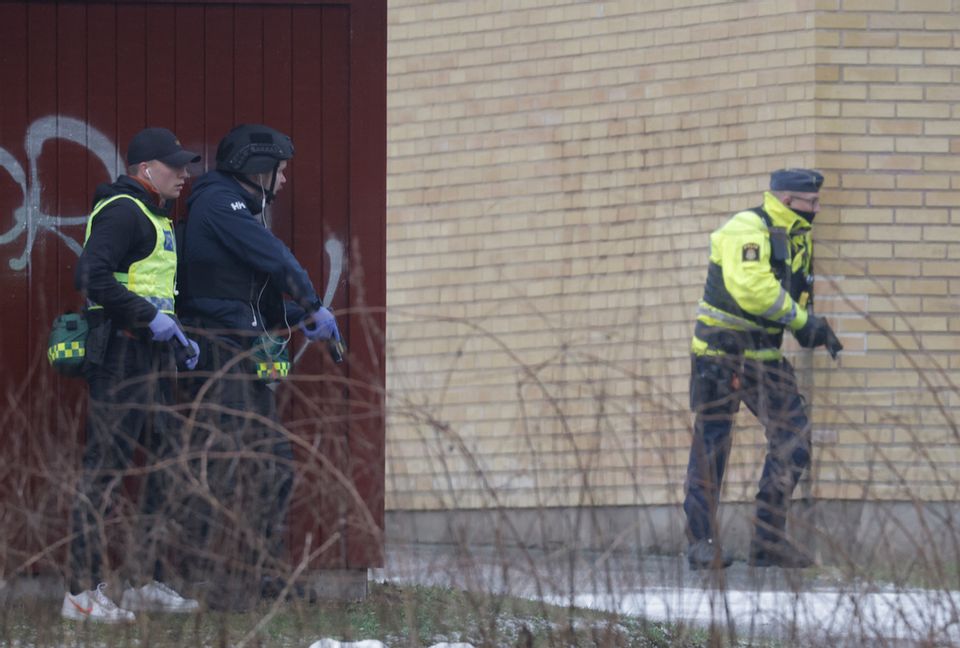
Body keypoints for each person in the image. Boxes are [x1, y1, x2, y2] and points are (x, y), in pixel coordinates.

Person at [176, 124, 341, 608]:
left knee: (271, 465)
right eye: (281, 171)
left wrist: (297, 317)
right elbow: (274, 259)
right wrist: (311, 301)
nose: (285, 181)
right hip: (219, 354)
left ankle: (266, 576)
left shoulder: (236, 210)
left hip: (240, 348)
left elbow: (249, 295)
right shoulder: (218, 203)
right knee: (232, 468)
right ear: (257, 170)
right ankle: (222, 583)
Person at [65, 127, 203, 622]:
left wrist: (178, 336)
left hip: (150, 358)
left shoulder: (154, 215)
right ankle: (80, 595)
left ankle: (145, 581)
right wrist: (149, 320)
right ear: (146, 170)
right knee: (103, 472)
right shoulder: (124, 211)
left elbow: (151, 289)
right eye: (176, 166)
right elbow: (91, 277)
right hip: (120, 357)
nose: (185, 175)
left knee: (165, 465)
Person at [684, 168, 843, 570]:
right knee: (713, 445)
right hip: (721, 355)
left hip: (765, 357)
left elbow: (792, 295)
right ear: (788, 200)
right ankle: (701, 542)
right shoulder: (747, 228)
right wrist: (801, 321)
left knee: (793, 439)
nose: (817, 209)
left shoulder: (796, 240)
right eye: (811, 202)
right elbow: (752, 289)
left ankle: (768, 541)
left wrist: (813, 328)